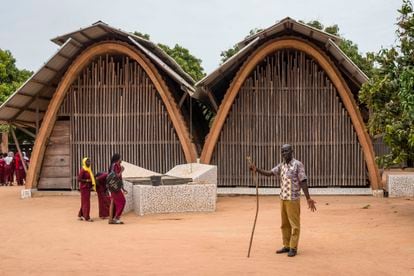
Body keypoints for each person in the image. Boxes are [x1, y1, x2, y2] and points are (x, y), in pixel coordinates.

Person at [250, 144, 317, 257]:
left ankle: (293, 247)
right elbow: (270, 173)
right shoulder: (281, 166)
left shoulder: (297, 165)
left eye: (286, 151)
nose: (284, 154)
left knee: (294, 225)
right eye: (282, 152)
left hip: (293, 199)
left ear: (292, 151)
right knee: (284, 224)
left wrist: (308, 198)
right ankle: (286, 245)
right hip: (283, 198)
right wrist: (257, 170)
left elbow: (303, 181)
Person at [108, 153, 127, 225]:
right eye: (120, 158)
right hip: (114, 187)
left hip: (116, 187)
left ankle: (111, 219)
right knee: (122, 201)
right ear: (118, 159)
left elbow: (120, 178)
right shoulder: (115, 165)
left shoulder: (117, 165)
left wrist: (123, 188)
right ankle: (116, 218)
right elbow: (115, 177)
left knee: (113, 203)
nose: (121, 159)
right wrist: (121, 170)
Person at [77, 157, 96, 222]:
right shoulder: (83, 170)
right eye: (87, 162)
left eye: (89, 161)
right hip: (84, 188)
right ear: (84, 163)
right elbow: (79, 179)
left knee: (84, 201)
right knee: (86, 202)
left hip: (87, 188)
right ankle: (87, 217)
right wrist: (87, 180)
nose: (89, 163)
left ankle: (81, 215)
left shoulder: (88, 169)